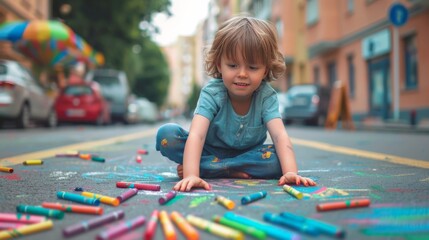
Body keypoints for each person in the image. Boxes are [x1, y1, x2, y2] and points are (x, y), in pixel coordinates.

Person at [156, 16, 316, 192]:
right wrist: (192, 175)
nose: (242, 74)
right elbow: (197, 135)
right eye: (232, 65)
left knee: (278, 159)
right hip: (208, 152)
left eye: (252, 67)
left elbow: (280, 136)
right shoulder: (212, 93)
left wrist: (291, 172)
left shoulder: (266, 96)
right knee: (167, 136)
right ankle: (220, 167)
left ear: (265, 70)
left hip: (248, 156)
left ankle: (214, 168)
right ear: (219, 64)